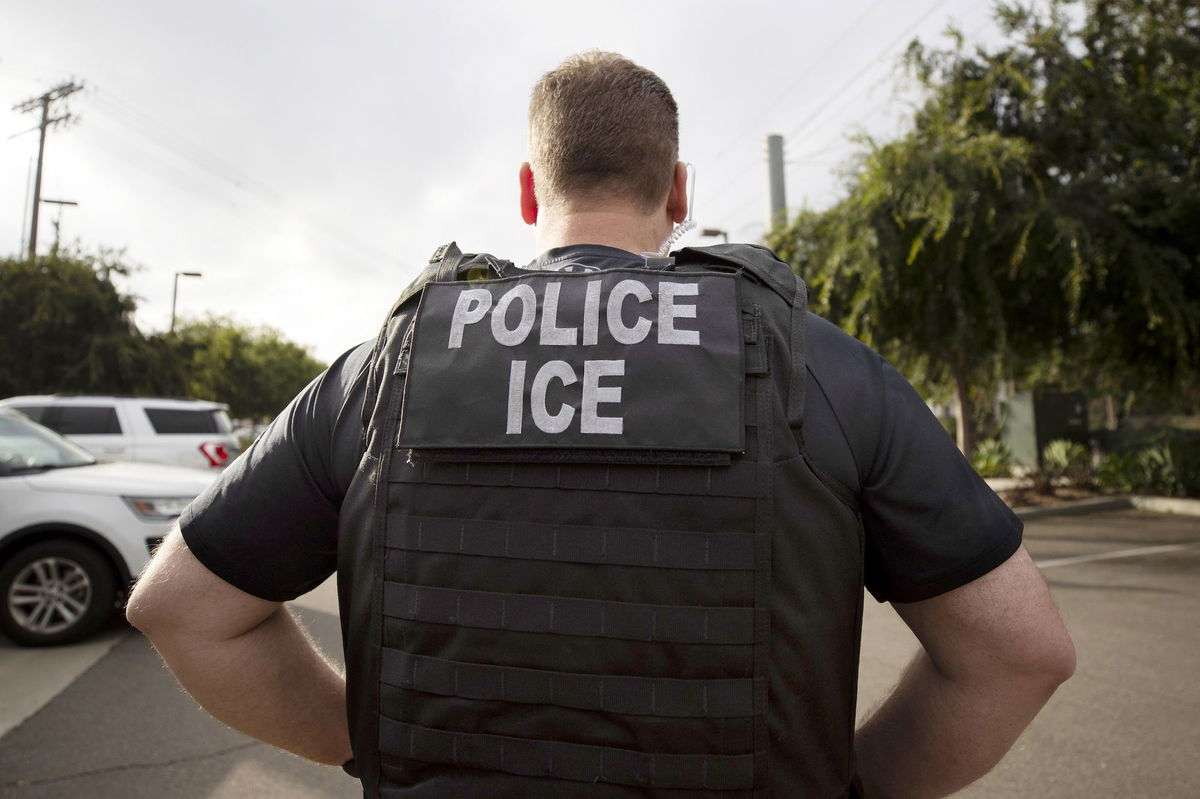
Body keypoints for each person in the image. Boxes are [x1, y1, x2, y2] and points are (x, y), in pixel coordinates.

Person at [128, 51, 1075, 798]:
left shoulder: (390, 368)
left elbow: (180, 609)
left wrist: (355, 735)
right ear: (679, 194)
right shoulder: (817, 362)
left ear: (530, 193)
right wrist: (857, 780)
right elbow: (1018, 653)